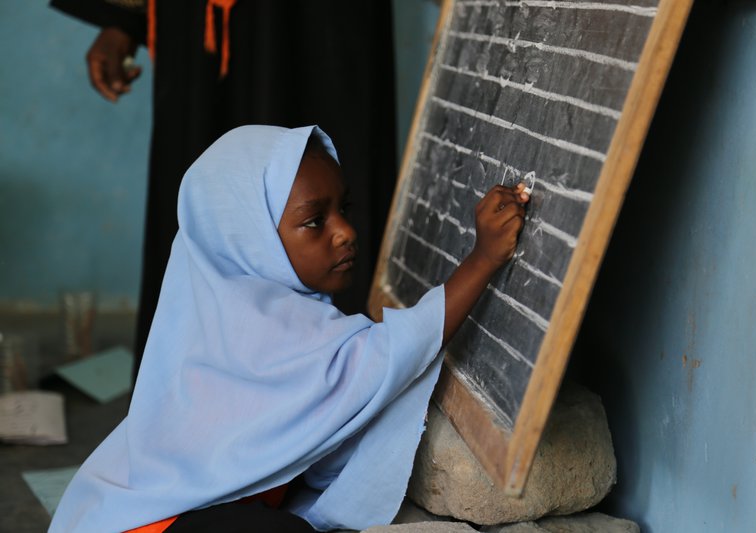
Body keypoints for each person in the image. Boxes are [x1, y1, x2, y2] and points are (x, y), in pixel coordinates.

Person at [48, 125, 530, 532]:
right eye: (315, 221)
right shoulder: (262, 326)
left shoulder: (218, 310)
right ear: (250, 238)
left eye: (344, 208)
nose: (345, 231)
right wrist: (483, 259)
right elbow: (386, 356)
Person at [49, 0, 398, 379]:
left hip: (319, 21)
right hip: (205, 29)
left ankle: (348, 378)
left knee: (323, 168)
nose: (348, 230)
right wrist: (122, 19)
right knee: (211, 182)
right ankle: (198, 382)